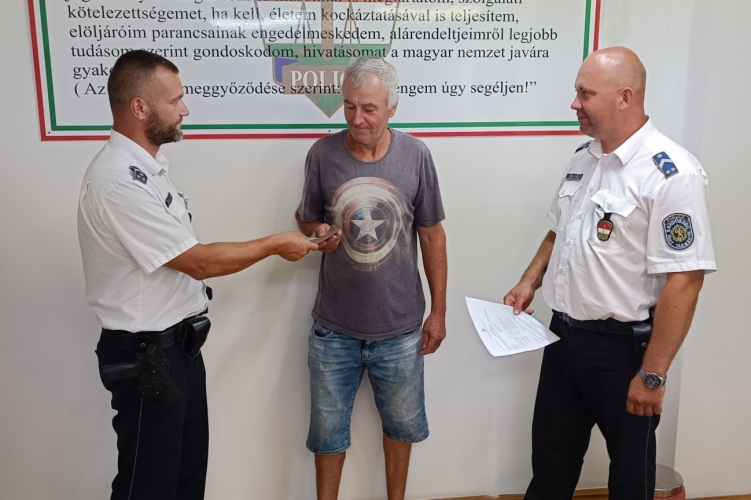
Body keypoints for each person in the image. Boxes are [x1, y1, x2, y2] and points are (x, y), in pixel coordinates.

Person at [77, 50, 318, 500]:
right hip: (147, 358)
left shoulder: (150, 172)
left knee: (185, 480)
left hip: (178, 350)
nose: (185, 109)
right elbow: (197, 261)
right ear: (139, 107)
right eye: (175, 100)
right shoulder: (118, 181)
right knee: (148, 487)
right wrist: (273, 244)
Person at [503, 47, 716, 499]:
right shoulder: (584, 158)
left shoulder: (671, 174)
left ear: (624, 97)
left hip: (623, 352)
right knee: (550, 465)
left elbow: (686, 280)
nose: (574, 103)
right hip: (562, 339)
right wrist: (529, 280)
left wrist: (653, 375)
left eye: (585, 94)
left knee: (629, 479)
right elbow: (558, 230)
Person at [295, 57, 448, 500]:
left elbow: (433, 235)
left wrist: (438, 312)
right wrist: (317, 230)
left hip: (400, 328)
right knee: (327, 436)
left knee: (401, 430)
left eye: (369, 109)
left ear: (392, 108)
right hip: (333, 329)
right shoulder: (321, 154)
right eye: (349, 106)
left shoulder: (416, 155)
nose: (357, 118)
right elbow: (305, 217)